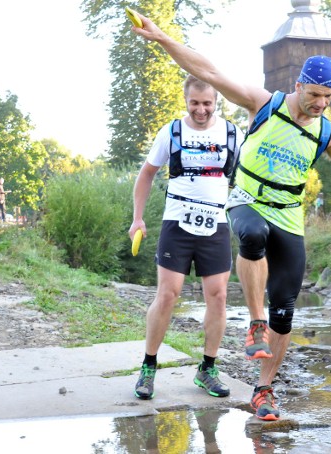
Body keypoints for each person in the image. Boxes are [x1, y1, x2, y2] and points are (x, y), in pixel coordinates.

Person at [130, 13, 331, 420]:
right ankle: (253, 321)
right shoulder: (265, 104)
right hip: (247, 201)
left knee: (287, 309)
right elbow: (206, 70)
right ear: (298, 85)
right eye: (314, 94)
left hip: (289, 215)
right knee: (252, 236)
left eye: (327, 98)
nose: (319, 104)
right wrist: (161, 39)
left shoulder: (326, 132)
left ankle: (263, 390)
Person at [128, 75, 244, 401]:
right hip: (176, 223)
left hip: (216, 225)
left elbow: (249, 175)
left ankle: (207, 369)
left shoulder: (233, 133)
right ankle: (148, 367)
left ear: (216, 102)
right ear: (186, 100)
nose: (201, 110)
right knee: (167, 294)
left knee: (219, 296)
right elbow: (146, 174)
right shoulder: (171, 131)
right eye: (195, 103)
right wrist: (137, 218)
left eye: (207, 103)